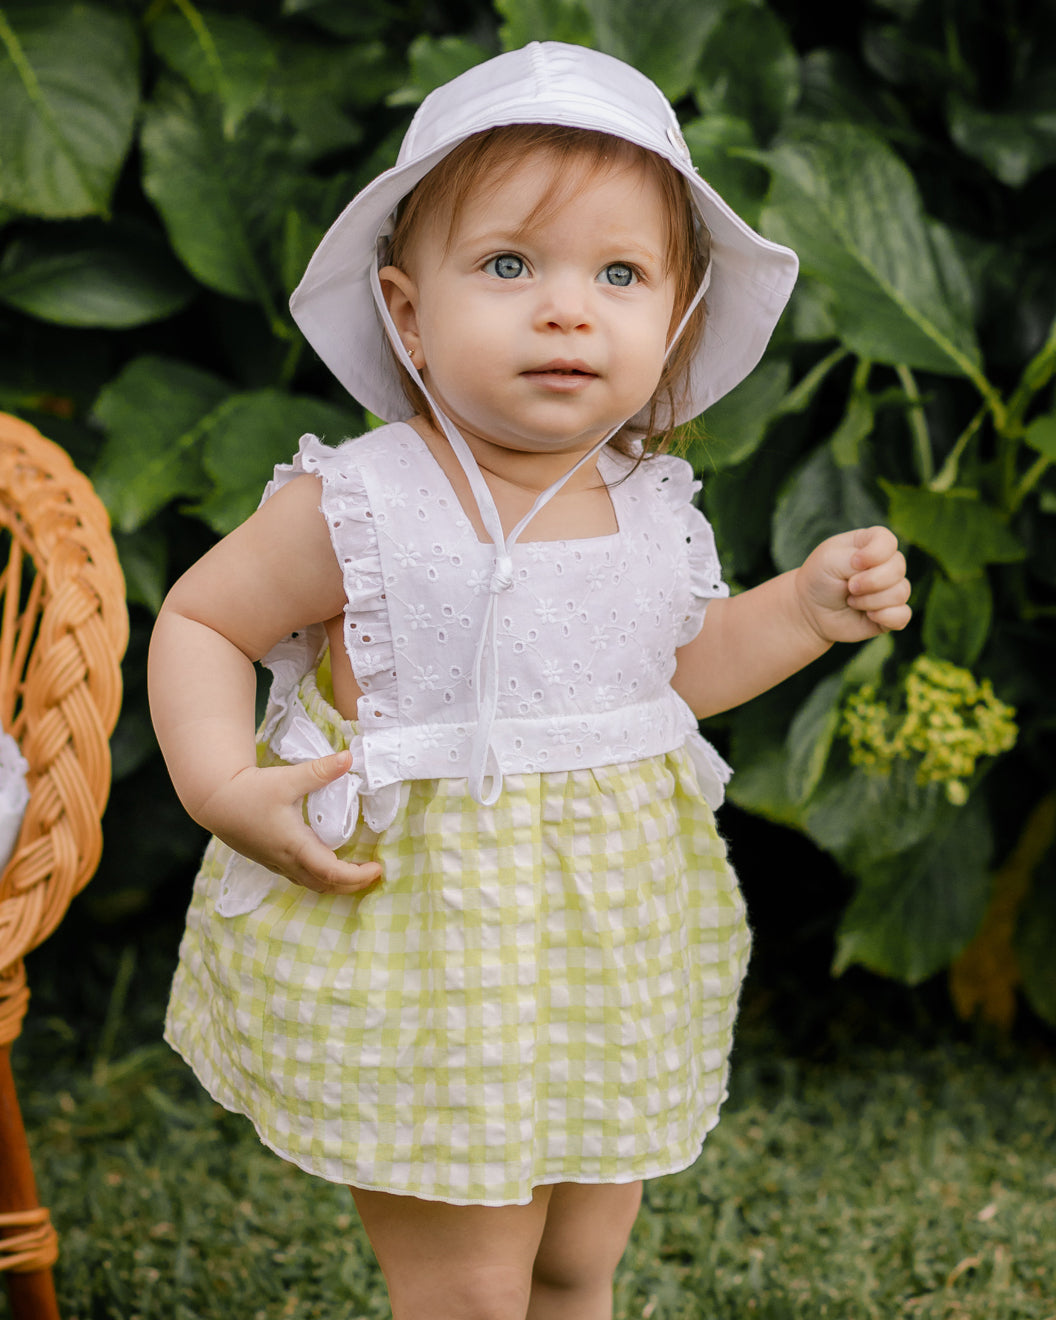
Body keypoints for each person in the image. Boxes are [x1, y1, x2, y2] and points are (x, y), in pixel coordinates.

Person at [150, 42, 911, 1320]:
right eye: (510, 265)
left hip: (609, 950)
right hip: (431, 952)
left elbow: (663, 679)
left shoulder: (652, 506)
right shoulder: (363, 502)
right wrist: (222, 783)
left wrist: (801, 611)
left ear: (674, 321)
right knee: (469, 1286)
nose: (568, 310)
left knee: (576, 1261)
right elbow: (201, 619)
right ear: (407, 313)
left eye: (620, 275)